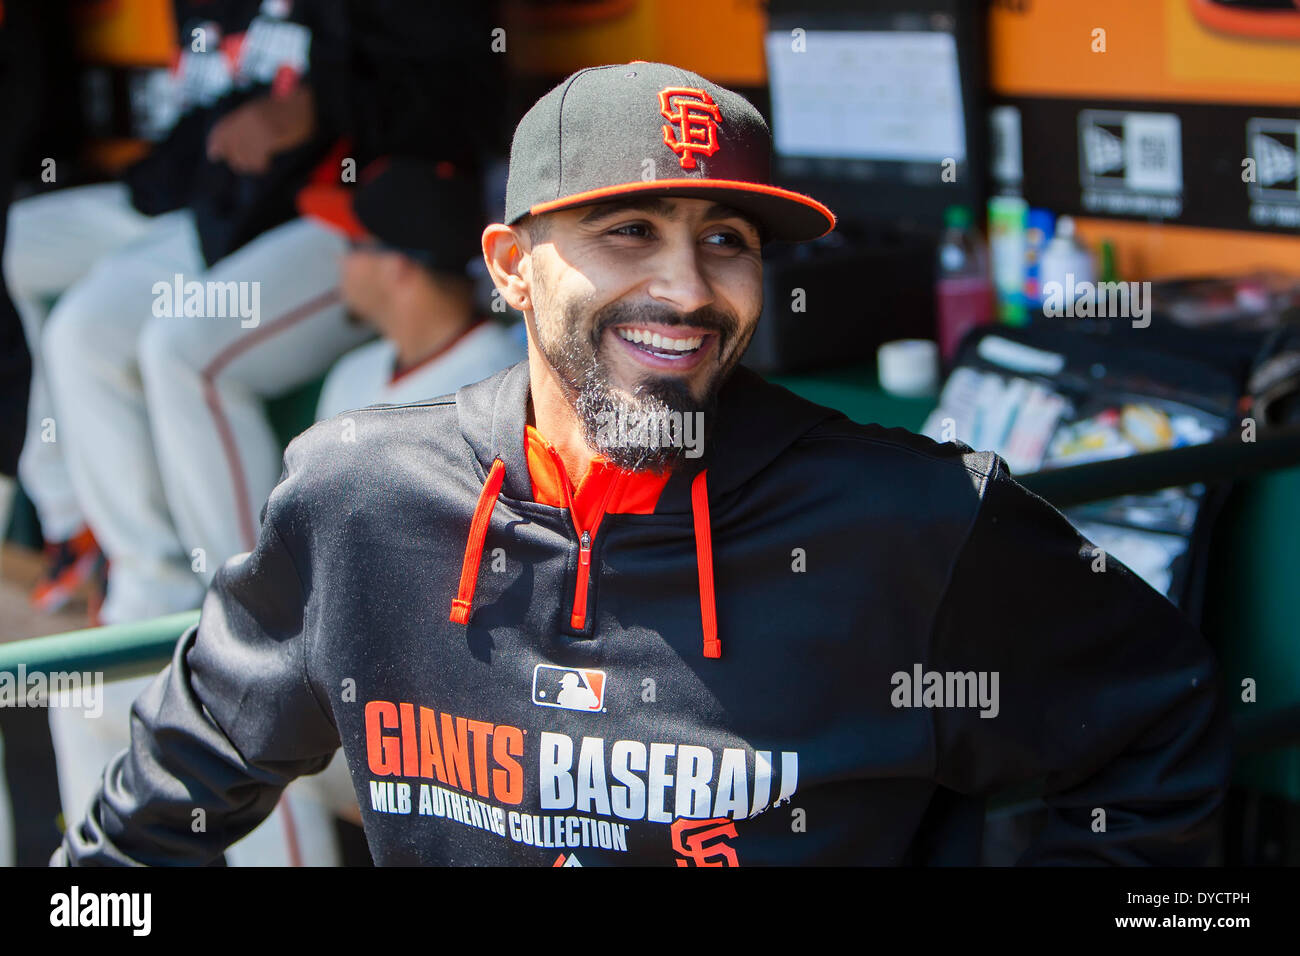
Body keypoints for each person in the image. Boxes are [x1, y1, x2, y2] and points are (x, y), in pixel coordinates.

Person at [55, 63, 1230, 867]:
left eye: (725, 239)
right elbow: (155, 812)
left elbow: (1164, 719)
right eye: (629, 231)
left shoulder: (908, 518)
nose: (684, 287)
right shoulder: (356, 498)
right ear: (511, 264)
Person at [300, 158, 526, 423]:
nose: (341, 261)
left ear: (398, 267)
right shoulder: (351, 372)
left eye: (353, 245)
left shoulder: (497, 386)